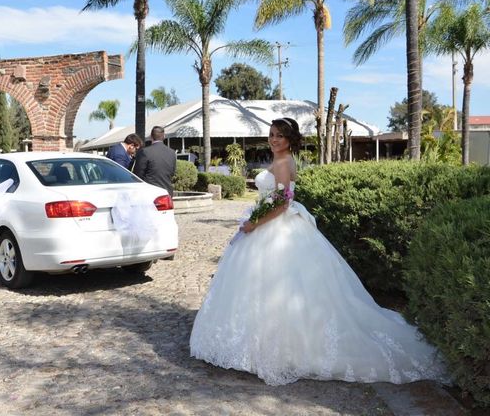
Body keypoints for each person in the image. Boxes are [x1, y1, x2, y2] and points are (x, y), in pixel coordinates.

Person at [189, 117, 449, 386]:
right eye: (271, 134)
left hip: (275, 228)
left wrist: (254, 223)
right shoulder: (285, 159)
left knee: (277, 287)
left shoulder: (282, 162)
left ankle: (277, 348)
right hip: (276, 222)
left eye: (280, 135)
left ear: (290, 139)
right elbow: (278, 199)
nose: (274, 139)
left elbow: (281, 203)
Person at [132, 126, 176, 196]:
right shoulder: (172, 152)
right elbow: (172, 172)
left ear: (151, 137)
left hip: (149, 192)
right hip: (167, 193)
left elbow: (138, 174)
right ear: (164, 136)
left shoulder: (144, 152)